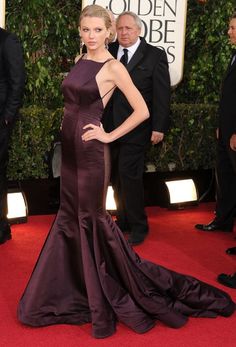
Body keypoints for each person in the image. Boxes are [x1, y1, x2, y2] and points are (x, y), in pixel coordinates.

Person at [18, 5, 235, 340]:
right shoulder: (79, 63)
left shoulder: (114, 67)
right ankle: (73, 288)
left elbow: (142, 110)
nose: (90, 36)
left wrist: (108, 134)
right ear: (80, 31)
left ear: (108, 31)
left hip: (91, 155)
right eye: (85, 30)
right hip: (71, 152)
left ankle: (105, 289)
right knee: (69, 216)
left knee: (90, 218)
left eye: (96, 30)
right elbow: (71, 105)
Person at [102, 11, 171, 246]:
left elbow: (162, 94)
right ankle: (123, 221)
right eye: (119, 28)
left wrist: (159, 127)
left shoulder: (154, 55)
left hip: (138, 128)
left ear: (139, 30)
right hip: (110, 128)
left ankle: (139, 225)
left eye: (128, 29)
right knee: (116, 178)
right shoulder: (109, 52)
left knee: (129, 176)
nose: (123, 33)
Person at [195, 12, 236, 235]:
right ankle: (223, 221)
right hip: (227, 130)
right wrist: (224, 125)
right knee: (226, 179)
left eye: (233, 28)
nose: (229, 32)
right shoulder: (234, 56)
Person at [0, 27, 25, 245]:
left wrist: (7, 117)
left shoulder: (8, 40)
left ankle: (0, 228)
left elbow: (17, 81)